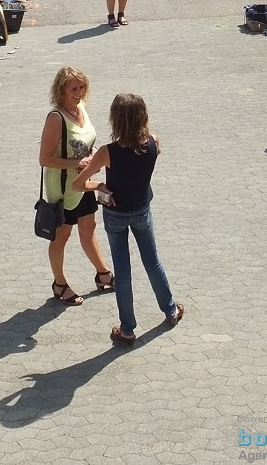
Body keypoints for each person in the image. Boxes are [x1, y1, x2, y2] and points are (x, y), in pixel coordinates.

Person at [72, 93, 183, 347]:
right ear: (143, 116)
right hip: (142, 211)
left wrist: (99, 183)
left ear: (115, 120)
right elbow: (143, 150)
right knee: (152, 261)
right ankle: (170, 310)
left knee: (122, 271)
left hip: (115, 215)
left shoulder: (106, 152)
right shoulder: (153, 142)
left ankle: (127, 329)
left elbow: (79, 184)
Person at [38, 67, 114, 306]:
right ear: (61, 90)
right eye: (73, 88)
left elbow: (86, 140)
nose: (79, 92)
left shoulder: (80, 108)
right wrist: (77, 162)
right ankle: (59, 284)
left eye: (82, 87)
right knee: (62, 235)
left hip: (83, 183)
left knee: (88, 227)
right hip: (63, 186)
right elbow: (44, 159)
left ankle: (103, 273)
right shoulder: (55, 118)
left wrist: (92, 155)